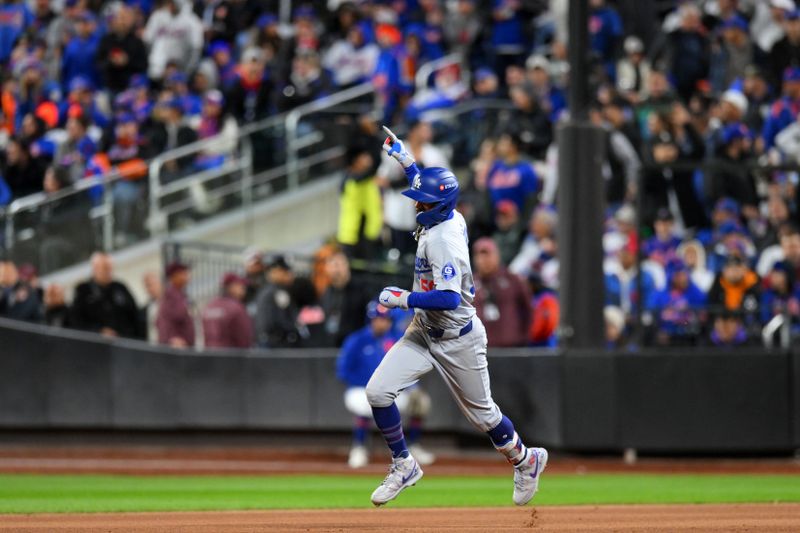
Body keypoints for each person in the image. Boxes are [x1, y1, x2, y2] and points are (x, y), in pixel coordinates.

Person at [366, 127, 547, 507]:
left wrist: (402, 300)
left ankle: (525, 460)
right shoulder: (444, 213)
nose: (417, 205)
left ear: (438, 207)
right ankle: (403, 463)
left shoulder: (444, 239)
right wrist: (404, 157)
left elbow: (448, 298)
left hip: (457, 337)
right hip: (424, 333)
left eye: (422, 202)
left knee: (484, 417)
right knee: (378, 392)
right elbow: (428, 185)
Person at [337, 301, 435, 469]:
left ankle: (413, 446)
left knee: (419, 402)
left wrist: (412, 388)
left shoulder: (398, 339)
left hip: (391, 391)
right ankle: (359, 448)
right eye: (377, 319)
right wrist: (369, 384)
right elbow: (343, 370)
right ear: (370, 320)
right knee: (366, 404)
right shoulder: (357, 340)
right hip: (360, 390)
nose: (381, 323)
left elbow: (408, 368)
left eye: (385, 319)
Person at [472, 237, 532, 348]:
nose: (484, 260)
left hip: (512, 347)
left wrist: (524, 337)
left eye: (488, 255)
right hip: (481, 349)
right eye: (480, 255)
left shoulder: (513, 279)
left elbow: (528, 310)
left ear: (497, 256)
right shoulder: (469, 284)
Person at [70, 252, 139, 338]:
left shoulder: (120, 287)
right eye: (105, 268)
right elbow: (76, 323)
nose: (109, 272)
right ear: (95, 268)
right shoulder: (83, 290)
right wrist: (98, 332)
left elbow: (135, 315)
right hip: (95, 345)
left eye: (110, 268)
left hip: (123, 342)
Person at [320, 250, 371, 347]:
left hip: (357, 344)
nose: (336, 270)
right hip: (333, 344)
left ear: (346, 266)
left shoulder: (361, 289)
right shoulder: (327, 292)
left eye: (338, 265)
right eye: (332, 266)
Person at [255, 255, 301, 348]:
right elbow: (281, 323)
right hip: (277, 345)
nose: (289, 275)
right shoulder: (277, 292)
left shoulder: (267, 290)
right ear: (274, 272)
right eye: (285, 272)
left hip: (270, 343)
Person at [202, 272, 253, 349]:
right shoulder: (236, 307)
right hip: (231, 356)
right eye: (241, 286)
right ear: (232, 286)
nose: (244, 289)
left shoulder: (209, 306)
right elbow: (244, 338)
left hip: (211, 355)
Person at [156, 261, 195, 348]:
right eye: (182, 273)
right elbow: (162, 321)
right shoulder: (170, 295)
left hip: (184, 347)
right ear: (174, 276)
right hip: (176, 347)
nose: (186, 275)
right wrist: (171, 338)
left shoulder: (180, 294)